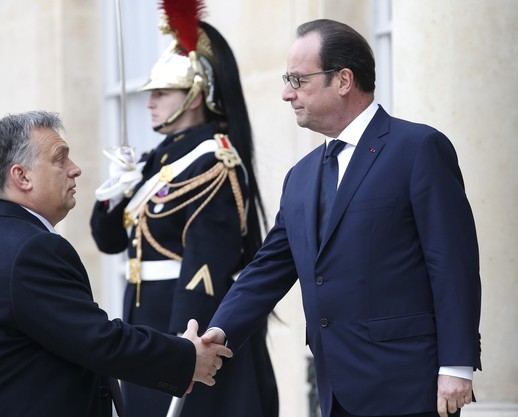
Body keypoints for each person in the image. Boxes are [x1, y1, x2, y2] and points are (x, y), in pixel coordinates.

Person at [203, 18, 482, 417]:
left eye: (297, 80)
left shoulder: (418, 148)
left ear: (344, 80)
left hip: (410, 387)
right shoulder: (300, 176)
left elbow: (452, 263)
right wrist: (220, 330)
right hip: (335, 390)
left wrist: (457, 365)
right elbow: (269, 267)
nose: (286, 93)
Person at [0, 111, 232, 417]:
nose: (74, 169)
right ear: (22, 176)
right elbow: (99, 341)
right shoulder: (29, 249)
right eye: (59, 159)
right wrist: (186, 358)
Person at [90, 8, 278, 417]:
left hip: (186, 324)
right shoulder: (156, 162)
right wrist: (114, 192)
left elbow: (204, 264)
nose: (150, 103)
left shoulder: (213, 160)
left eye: (161, 93)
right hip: (145, 322)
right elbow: (108, 240)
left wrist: (182, 349)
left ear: (195, 95)